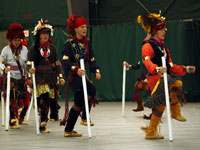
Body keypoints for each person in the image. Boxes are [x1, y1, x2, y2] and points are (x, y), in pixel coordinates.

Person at [137, 12, 196, 139]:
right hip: (155, 78)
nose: (164, 32)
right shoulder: (148, 46)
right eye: (161, 30)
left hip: (164, 77)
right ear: (154, 31)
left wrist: (185, 69)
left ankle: (151, 132)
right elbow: (147, 61)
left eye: (165, 29)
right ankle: (175, 112)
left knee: (160, 106)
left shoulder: (164, 48)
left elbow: (171, 66)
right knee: (177, 83)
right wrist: (156, 68)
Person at [62, 14, 101, 137]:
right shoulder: (69, 44)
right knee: (90, 90)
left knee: (80, 100)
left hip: (84, 75)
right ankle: (84, 117)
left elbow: (92, 59)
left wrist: (96, 71)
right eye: (82, 27)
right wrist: (76, 69)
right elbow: (65, 61)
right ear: (75, 29)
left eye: (85, 27)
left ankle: (69, 129)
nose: (84, 29)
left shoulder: (86, 43)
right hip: (74, 76)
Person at [27, 19, 65, 133]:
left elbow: (57, 63)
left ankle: (43, 122)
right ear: (39, 35)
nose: (45, 36)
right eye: (43, 33)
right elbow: (29, 63)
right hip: (39, 77)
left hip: (51, 77)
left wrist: (61, 76)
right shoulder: (33, 49)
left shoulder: (53, 48)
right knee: (42, 98)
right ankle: (40, 112)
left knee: (47, 99)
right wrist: (30, 70)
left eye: (47, 33)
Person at [0, 23, 30, 128]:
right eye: (15, 40)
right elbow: (0, 62)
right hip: (10, 77)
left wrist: (29, 75)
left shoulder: (25, 49)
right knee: (12, 95)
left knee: (26, 99)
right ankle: (12, 119)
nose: (17, 42)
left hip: (22, 77)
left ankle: (21, 118)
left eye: (18, 40)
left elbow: (28, 63)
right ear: (10, 40)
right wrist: (4, 68)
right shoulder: (6, 50)